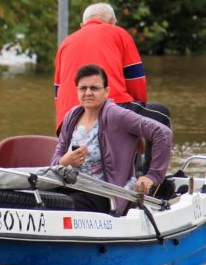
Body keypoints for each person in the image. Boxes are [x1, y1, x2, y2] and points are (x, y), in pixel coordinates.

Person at [51, 64, 173, 214]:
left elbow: (162, 133)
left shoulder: (116, 115)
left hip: (104, 195)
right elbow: (55, 161)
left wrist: (152, 176)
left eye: (94, 88)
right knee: (34, 197)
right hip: (70, 186)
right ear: (77, 91)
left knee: (59, 205)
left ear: (106, 91)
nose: (88, 93)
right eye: (83, 88)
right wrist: (65, 161)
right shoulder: (71, 116)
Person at [54, 2, 149, 132]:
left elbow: (58, 91)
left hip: (67, 120)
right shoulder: (119, 34)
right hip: (112, 109)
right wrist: (140, 109)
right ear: (113, 22)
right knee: (161, 113)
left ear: (82, 25)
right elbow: (135, 80)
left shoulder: (65, 43)